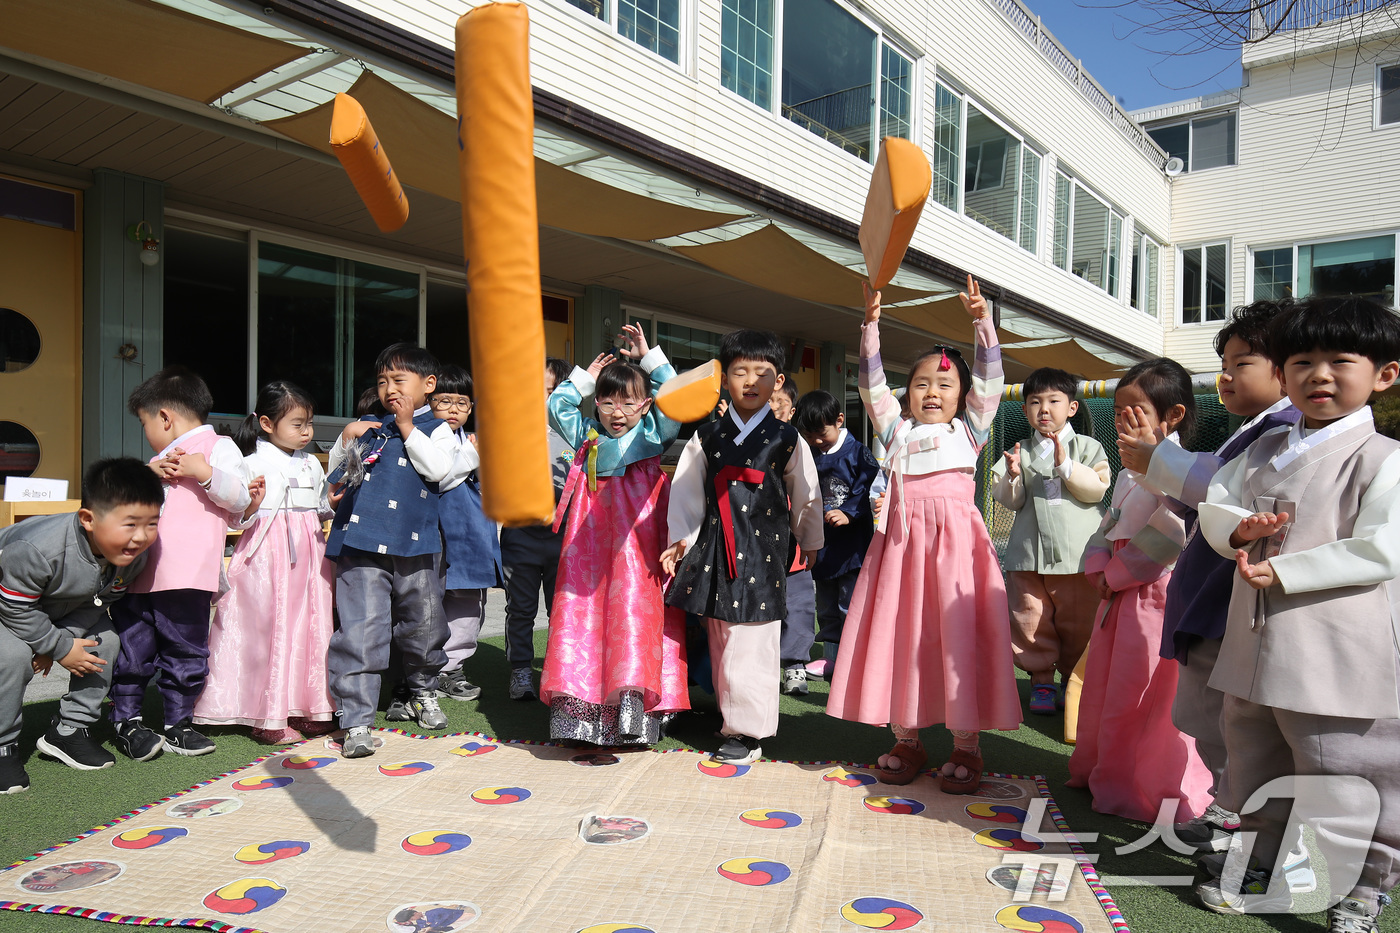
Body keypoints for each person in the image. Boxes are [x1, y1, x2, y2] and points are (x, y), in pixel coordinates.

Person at [1194, 296, 1400, 929]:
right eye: (1302, 361)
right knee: (1252, 754)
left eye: (1341, 360)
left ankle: (1365, 883)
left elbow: (1380, 547)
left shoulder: (1384, 458)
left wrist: (1283, 567)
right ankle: (1255, 860)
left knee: (1347, 765)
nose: (1321, 375)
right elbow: (1215, 504)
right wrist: (1234, 529)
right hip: (1253, 640)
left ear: (1384, 374)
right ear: (1282, 377)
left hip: (1335, 648)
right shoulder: (1263, 449)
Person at [1117, 300, 1298, 855]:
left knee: (1235, 728)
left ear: (1287, 368)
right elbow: (1203, 498)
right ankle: (1229, 813)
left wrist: (1157, 458)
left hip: (1229, 606)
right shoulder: (1253, 429)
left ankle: (1260, 841)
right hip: (1208, 601)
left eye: (1242, 361)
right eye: (1226, 361)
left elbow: (1217, 490)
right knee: (1208, 719)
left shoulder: (1286, 430)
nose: (1226, 374)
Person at [826, 277, 1020, 792]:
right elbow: (870, 385)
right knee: (902, 635)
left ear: (962, 396)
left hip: (957, 554)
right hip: (902, 549)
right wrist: (871, 326)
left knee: (958, 638)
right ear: (905, 394)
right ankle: (906, 738)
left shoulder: (970, 432)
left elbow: (990, 383)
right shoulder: (897, 432)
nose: (932, 393)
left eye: (945, 385)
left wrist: (983, 324)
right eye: (921, 385)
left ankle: (966, 747)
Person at [663, 330, 823, 764]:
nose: (750, 381)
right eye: (740, 372)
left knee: (753, 639)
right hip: (715, 548)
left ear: (779, 380)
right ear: (724, 379)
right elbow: (687, 492)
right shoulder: (707, 435)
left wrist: (809, 538)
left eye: (761, 373)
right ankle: (729, 715)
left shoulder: (787, 438)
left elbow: (806, 493)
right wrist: (681, 540)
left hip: (765, 549)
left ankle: (747, 732)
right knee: (722, 635)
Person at [1067, 358, 1212, 823]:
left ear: (1173, 416)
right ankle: (1104, 770)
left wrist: (1114, 575)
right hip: (1120, 596)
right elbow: (1109, 524)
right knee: (1110, 687)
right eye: (1118, 411)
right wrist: (1096, 562)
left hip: (1154, 598)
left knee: (1144, 694)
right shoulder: (1130, 470)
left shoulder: (1178, 471)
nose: (1123, 420)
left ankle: (1143, 786)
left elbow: (1169, 535)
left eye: (1137, 411)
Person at [541, 324, 689, 746]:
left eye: (628, 402)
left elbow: (675, 402)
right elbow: (559, 404)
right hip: (587, 549)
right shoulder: (587, 434)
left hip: (638, 548)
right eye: (606, 401)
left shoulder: (652, 434)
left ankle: (634, 719)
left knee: (634, 620)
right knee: (580, 616)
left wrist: (650, 358)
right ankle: (579, 721)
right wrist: (583, 377)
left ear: (645, 405)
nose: (616, 411)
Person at [111, 367, 253, 760]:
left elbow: (240, 498)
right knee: (132, 647)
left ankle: (178, 723)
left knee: (186, 649)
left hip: (187, 575)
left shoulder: (219, 447)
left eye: (145, 423)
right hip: (138, 572)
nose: (147, 432)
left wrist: (202, 472)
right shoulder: (155, 460)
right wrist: (146, 474)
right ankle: (127, 720)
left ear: (165, 418)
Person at [325, 343, 457, 758]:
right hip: (360, 542)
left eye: (399, 380)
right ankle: (356, 719)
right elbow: (337, 478)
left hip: (417, 544)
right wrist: (345, 439)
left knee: (424, 623)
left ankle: (423, 691)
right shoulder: (367, 425)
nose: (389, 388)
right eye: (382, 381)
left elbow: (438, 470)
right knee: (361, 628)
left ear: (428, 385)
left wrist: (405, 426)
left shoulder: (439, 428)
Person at [0, 459, 162, 789]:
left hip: (56, 612)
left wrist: (61, 643)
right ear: (88, 519)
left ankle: (68, 730)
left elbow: (103, 601)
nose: (141, 537)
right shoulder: (36, 548)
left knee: (106, 640)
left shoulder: (132, 555)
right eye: (130, 524)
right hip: (7, 607)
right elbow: (14, 607)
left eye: (152, 524)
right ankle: (3, 746)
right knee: (12, 656)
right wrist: (56, 646)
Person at [194, 381, 336, 745]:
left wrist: (331, 504)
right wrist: (252, 507)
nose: (307, 432)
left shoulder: (310, 463)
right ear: (267, 424)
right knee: (268, 627)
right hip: (266, 554)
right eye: (298, 424)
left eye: (309, 424)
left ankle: (310, 707)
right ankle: (265, 714)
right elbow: (234, 517)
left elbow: (317, 508)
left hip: (309, 552)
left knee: (311, 624)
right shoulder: (249, 463)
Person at [990, 367, 1110, 715]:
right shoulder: (1020, 450)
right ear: (1025, 409)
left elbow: (1097, 488)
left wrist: (1066, 465)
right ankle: (1041, 680)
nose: (1044, 409)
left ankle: (1074, 680)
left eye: (1054, 401)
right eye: (1035, 402)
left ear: (1071, 408)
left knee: (1079, 622)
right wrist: (1012, 476)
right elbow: (1008, 499)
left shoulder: (1087, 447)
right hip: (1028, 554)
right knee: (1030, 618)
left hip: (1079, 554)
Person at [416, 364, 501, 705]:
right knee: (425, 599)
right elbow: (439, 477)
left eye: (462, 402)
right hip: (432, 530)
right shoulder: (421, 436)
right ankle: (425, 668)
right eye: (444, 400)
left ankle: (453, 667)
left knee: (467, 600)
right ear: (428, 401)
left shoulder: (471, 439)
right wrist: (470, 455)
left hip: (469, 530)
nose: (453, 408)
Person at [793, 388, 879, 692]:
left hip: (852, 546)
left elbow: (869, 485)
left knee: (850, 602)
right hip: (824, 543)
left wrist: (849, 512)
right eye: (809, 435)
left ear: (839, 420)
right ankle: (831, 658)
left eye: (821, 433)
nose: (816, 440)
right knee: (826, 603)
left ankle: (855, 658)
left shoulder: (859, 453)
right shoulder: (810, 454)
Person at [499, 357, 573, 701]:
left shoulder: (578, 434)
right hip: (521, 537)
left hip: (566, 540)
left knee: (562, 609)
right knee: (521, 608)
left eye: (553, 391)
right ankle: (520, 671)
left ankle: (562, 673)